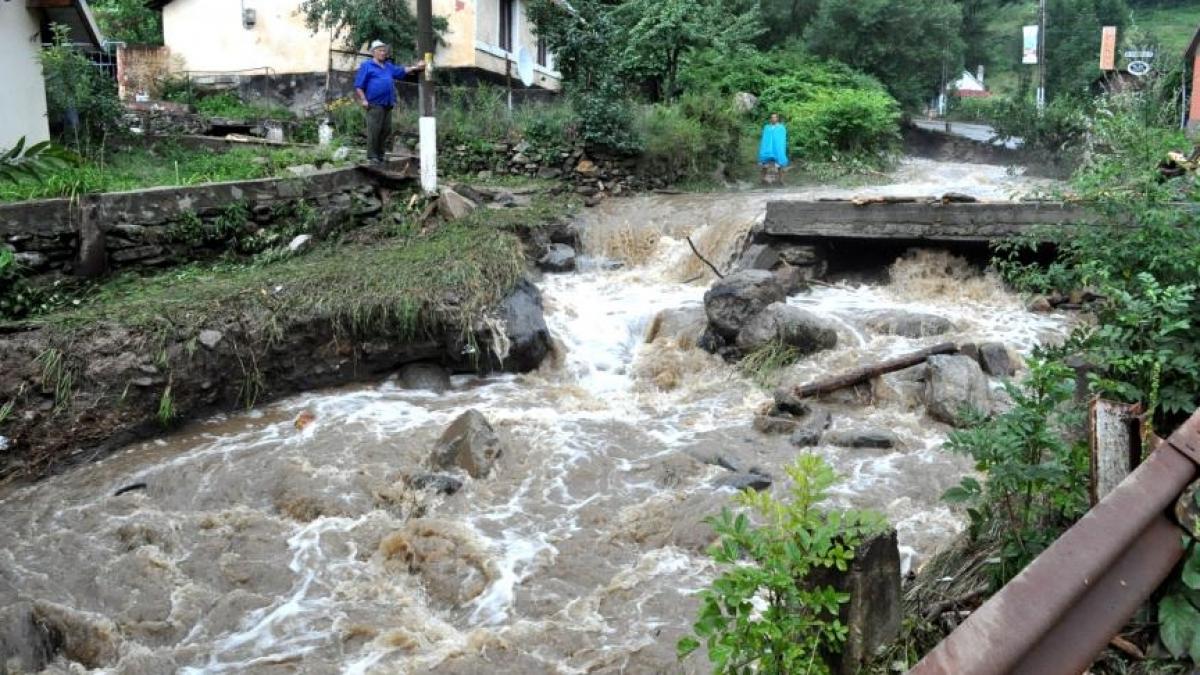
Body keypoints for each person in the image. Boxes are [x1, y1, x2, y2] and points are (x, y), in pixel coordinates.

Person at [354, 40, 425, 164]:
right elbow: (359, 85)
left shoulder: (388, 66)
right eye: (380, 51)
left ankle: (380, 156)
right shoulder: (367, 66)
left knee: (386, 130)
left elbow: (402, 70)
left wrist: (416, 67)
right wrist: (364, 100)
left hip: (387, 103)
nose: (383, 53)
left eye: (384, 51)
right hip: (374, 103)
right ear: (373, 52)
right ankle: (372, 156)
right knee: (374, 130)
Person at [758, 113, 789, 184]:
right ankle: (762, 180)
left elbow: (782, 139)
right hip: (768, 149)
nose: (773, 119)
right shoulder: (767, 127)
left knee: (780, 165)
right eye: (772, 117)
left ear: (777, 118)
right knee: (764, 165)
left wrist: (781, 149)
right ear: (770, 119)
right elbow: (765, 139)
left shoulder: (781, 127)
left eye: (775, 117)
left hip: (777, 149)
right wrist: (764, 148)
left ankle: (781, 180)